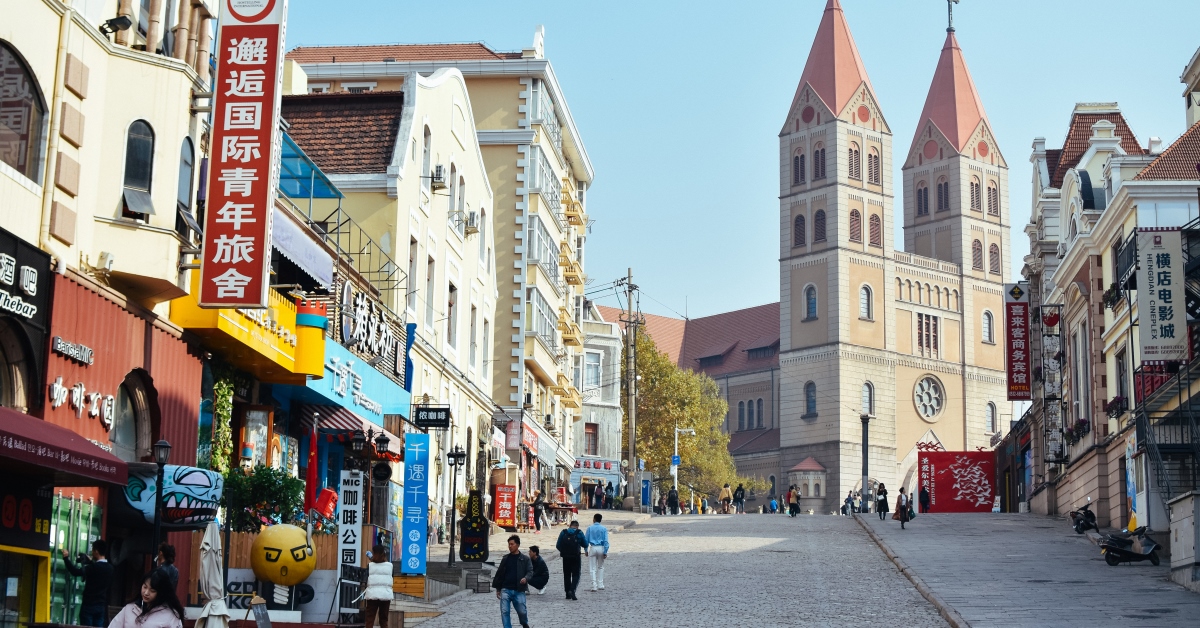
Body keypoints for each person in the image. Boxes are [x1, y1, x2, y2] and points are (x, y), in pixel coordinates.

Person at [61, 539, 115, 627]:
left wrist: (66, 558)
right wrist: (90, 562)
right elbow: (99, 570)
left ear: (96, 551)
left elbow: (75, 572)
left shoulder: (92, 568)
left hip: (89, 606)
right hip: (101, 606)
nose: (92, 553)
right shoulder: (110, 568)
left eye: (93, 550)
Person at [107, 570, 184, 628]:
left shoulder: (171, 616)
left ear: (161, 593)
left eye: (152, 590)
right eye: (145, 587)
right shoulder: (129, 609)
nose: (146, 593)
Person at [491, 535, 533, 628]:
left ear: (517, 545)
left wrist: (526, 578)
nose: (510, 546)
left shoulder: (525, 559)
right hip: (506, 589)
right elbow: (500, 574)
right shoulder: (505, 558)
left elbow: (530, 571)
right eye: (509, 544)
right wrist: (498, 588)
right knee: (505, 611)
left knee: (522, 611)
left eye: (512, 544)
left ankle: (524, 623)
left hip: (519, 590)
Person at [555, 520, 588, 600]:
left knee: (566, 575)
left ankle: (567, 593)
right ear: (577, 526)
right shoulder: (579, 532)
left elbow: (558, 545)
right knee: (576, 574)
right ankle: (572, 590)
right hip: (575, 557)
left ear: (570, 525)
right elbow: (585, 544)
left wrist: (564, 551)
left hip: (566, 557)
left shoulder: (563, 532)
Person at [363, 544, 394, 628]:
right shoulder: (390, 566)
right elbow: (391, 578)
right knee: (384, 620)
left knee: (370, 619)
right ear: (383, 553)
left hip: (372, 595)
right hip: (385, 595)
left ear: (373, 553)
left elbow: (365, 579)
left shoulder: (370, 566)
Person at [584, 513, 609, 592]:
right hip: (601, 548)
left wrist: (586, 550)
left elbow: (586, 540)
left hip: (593, 548)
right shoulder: (604, 529)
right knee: (600, 567)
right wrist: (605, 551)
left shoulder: (590, 528)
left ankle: (594, 585)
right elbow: (606, 541)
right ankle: (600, 584)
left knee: (592, 568)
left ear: (594, 519)